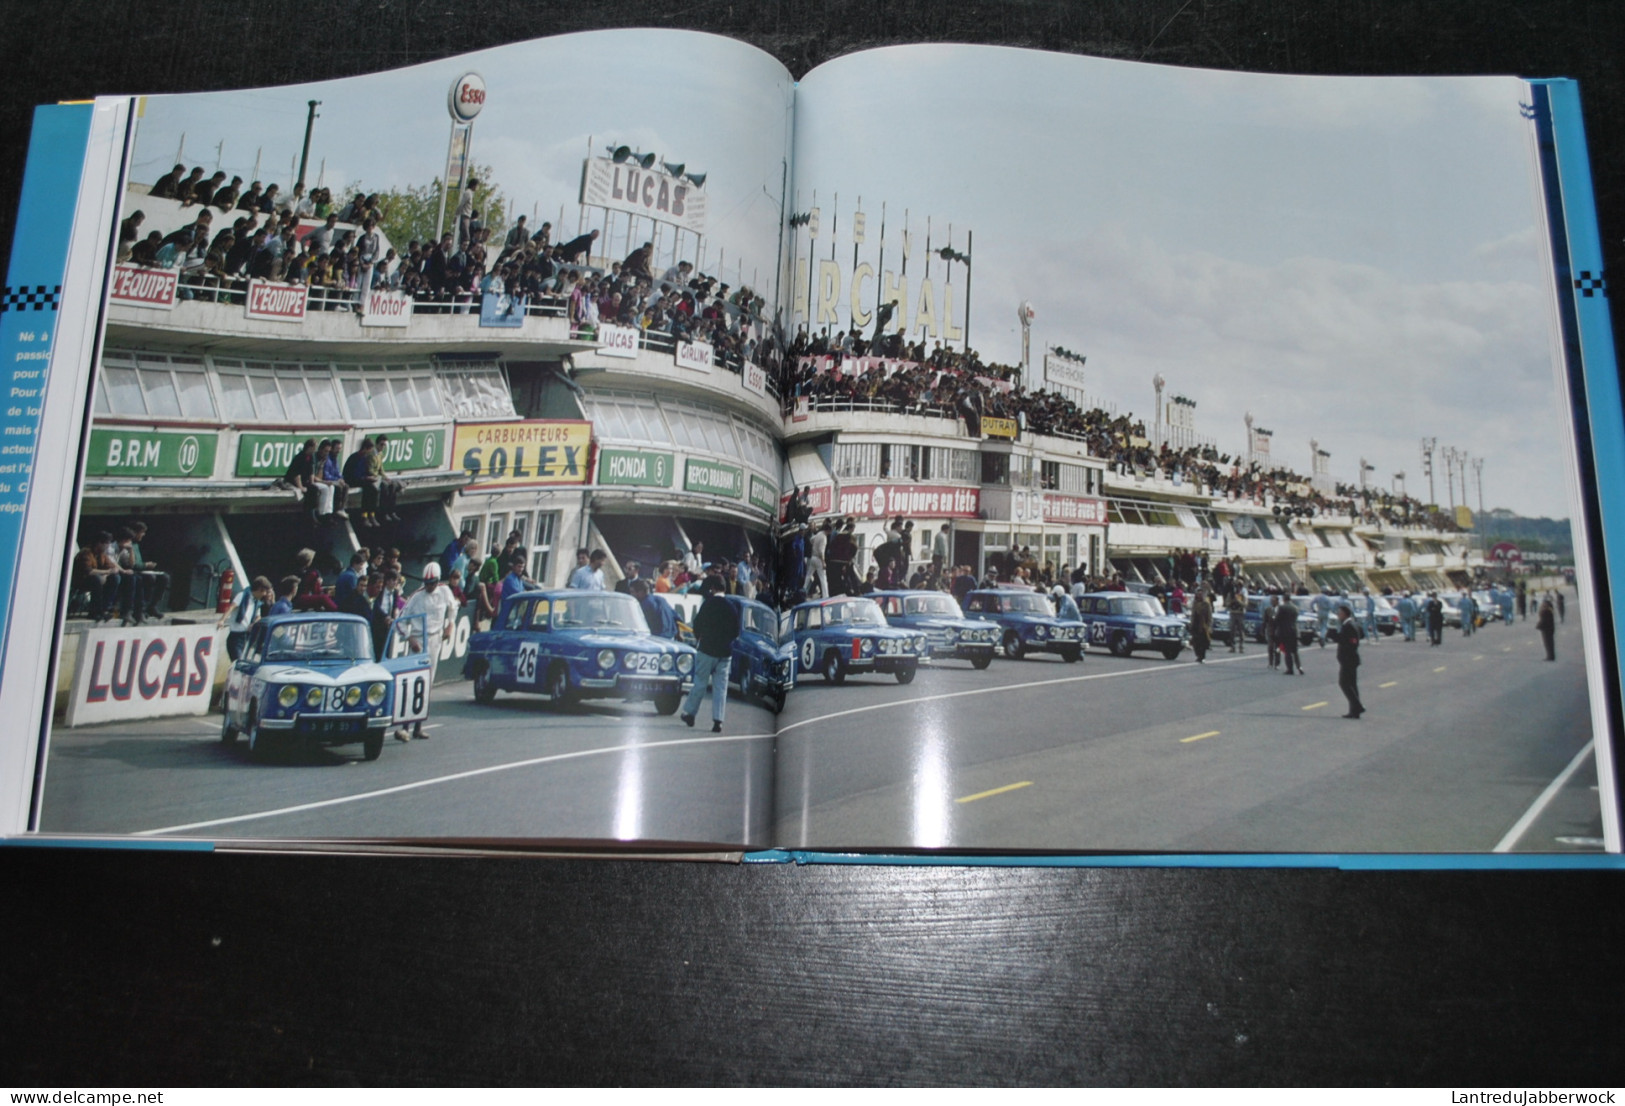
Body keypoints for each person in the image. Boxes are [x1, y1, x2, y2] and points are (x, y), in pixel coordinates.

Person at [395, 563, 456, 741]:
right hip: (418, 642)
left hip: (435, 640)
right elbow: (400, 621)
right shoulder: (416, 597)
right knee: (413, 684)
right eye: (427, 583)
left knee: (427, 685)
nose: (430, 586)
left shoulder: (445, 591)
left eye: (433, 583)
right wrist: (409, 638)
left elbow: (454, 607)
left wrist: (450, 624)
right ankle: (404, 727)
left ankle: (418, 727)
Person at [680, 576, 740, 733]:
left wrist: (699, 637)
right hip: (725, 652)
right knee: (721, 687)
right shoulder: (732, 607)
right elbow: (736, 631)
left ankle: (690, 713)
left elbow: (697, 624)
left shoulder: (708, 604)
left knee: (700, 682)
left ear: (712, 588)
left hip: (707, 649)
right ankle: (718, 720)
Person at [220, 576, 273, 661]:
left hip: (246, 636)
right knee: (238, 662)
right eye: (264, 591)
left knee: (242, 662)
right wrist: (222, 620)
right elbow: (231, 607)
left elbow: (258, 616)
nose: (265, 594)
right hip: (235, 637)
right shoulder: (242, 595)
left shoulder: (256, 602)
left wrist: (254, 623)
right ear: (259, 589)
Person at [1330, 602, 1364, 719]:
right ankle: (1354, 711)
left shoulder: (1349, 625)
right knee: (1352, 685)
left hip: (1349, 659)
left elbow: (1352, 642)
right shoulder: (1349, 624)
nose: (1338, 615)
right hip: (1349, 659)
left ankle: (1357, 706)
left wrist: (1335, 636)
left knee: (1344, 683)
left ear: (1344, 614)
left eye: (1339, 613)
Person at [1275, 593, 1303, 675]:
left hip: (1285, 631)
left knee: (1287, 651)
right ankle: (1299, 666)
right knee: (1295, 650)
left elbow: (1278, 619)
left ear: (1284, 599)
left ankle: (1290, 668)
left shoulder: (1282, 607)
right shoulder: (1295, 607)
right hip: (1294, 630)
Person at [1188, 587, 1213, 663]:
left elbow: (1209, 616)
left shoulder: (1206, 604)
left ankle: (1202, 656)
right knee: (1195, 642)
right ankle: (1198, 655)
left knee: (1202, 642)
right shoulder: (1195, 603)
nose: (1199, 595)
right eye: (1198, 593)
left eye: (1201, 594)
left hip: (1203, 625)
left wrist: (1208, 626)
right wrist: (1191, 624)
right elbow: (1193, 614)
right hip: (1195, 624)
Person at [1226, 586, 1246, 653]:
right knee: (1232, 631)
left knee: (1241, 631)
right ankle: (1232, 646)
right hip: (1233, 613)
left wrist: (1238, 601)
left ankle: (1241, 646)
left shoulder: (1243, 595)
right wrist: (1232, 601)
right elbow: (1227, 603)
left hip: (1240, 613)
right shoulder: (1230, 595)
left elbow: (1245, 604)